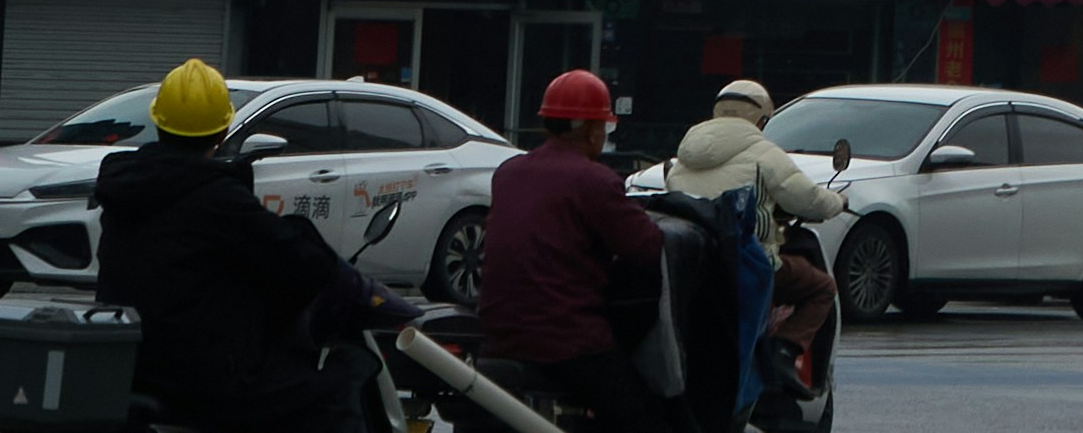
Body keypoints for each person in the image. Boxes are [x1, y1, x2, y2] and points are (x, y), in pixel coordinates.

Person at [94, 60, 405, 433]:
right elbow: (299, 264)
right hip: (206, 380)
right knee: (343, 377)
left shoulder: (126, 190)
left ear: (158, 122)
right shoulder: (218, 197)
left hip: (134, 368)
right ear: (223, 129)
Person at [472, 68, 673, 420]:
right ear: (593, 130)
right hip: (566, 340)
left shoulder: (509, 172)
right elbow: (646, 247)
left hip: (498, 332)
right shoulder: (593, 180)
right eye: (606, 127)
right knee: (639, 412)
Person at [662, 76, 840, 393]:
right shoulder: (763, 152)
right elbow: (807, 199)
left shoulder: (684, 153)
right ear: (762, 119)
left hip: (689, 261)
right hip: (745, 260)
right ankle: (783, 353)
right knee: (822, 287)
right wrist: (839, 202)